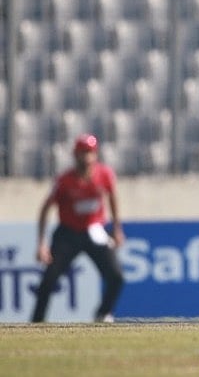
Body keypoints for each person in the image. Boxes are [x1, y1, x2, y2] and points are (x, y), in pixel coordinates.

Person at [31, 134, 125, 323]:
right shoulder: (64, 180)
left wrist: (116, 228)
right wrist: (41, 244)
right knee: (48, 281)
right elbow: (45, 209)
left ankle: (102, 313)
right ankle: (36, 322)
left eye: (90, 152)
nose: (87, 157)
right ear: (75, 155)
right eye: (83, 152)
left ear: (95, 154)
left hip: (94, 230)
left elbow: (112, 198)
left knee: (117, 277)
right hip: (68, 233)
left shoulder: (104, 174)